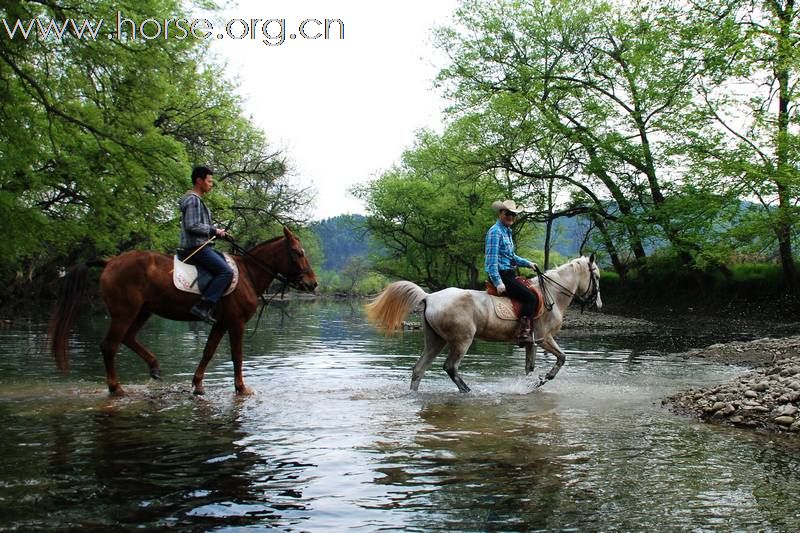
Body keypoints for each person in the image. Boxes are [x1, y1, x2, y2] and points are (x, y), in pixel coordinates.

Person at [179, 166, 233, 325]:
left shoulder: (196, 200)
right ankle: (204, 306)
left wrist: (217, 232)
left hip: (202, 246)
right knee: (226, 272)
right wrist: (213, 230)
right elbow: (192, 225)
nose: (211, 184)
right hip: (196, 247)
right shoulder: (193, 200)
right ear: (199, 180)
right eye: (209, 181)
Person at [485, 199, 539, 347]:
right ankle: (524, 334)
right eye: (508, 213)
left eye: (513, 215)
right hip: (501, 274)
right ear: (500, 213)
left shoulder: (507, 232)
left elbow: (512, 257)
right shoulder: (495, 232)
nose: (511, 217)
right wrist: (498, 282)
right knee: (530, 298)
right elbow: (491, 260)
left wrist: (528, 263)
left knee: (530, 291)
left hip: (508, 273)